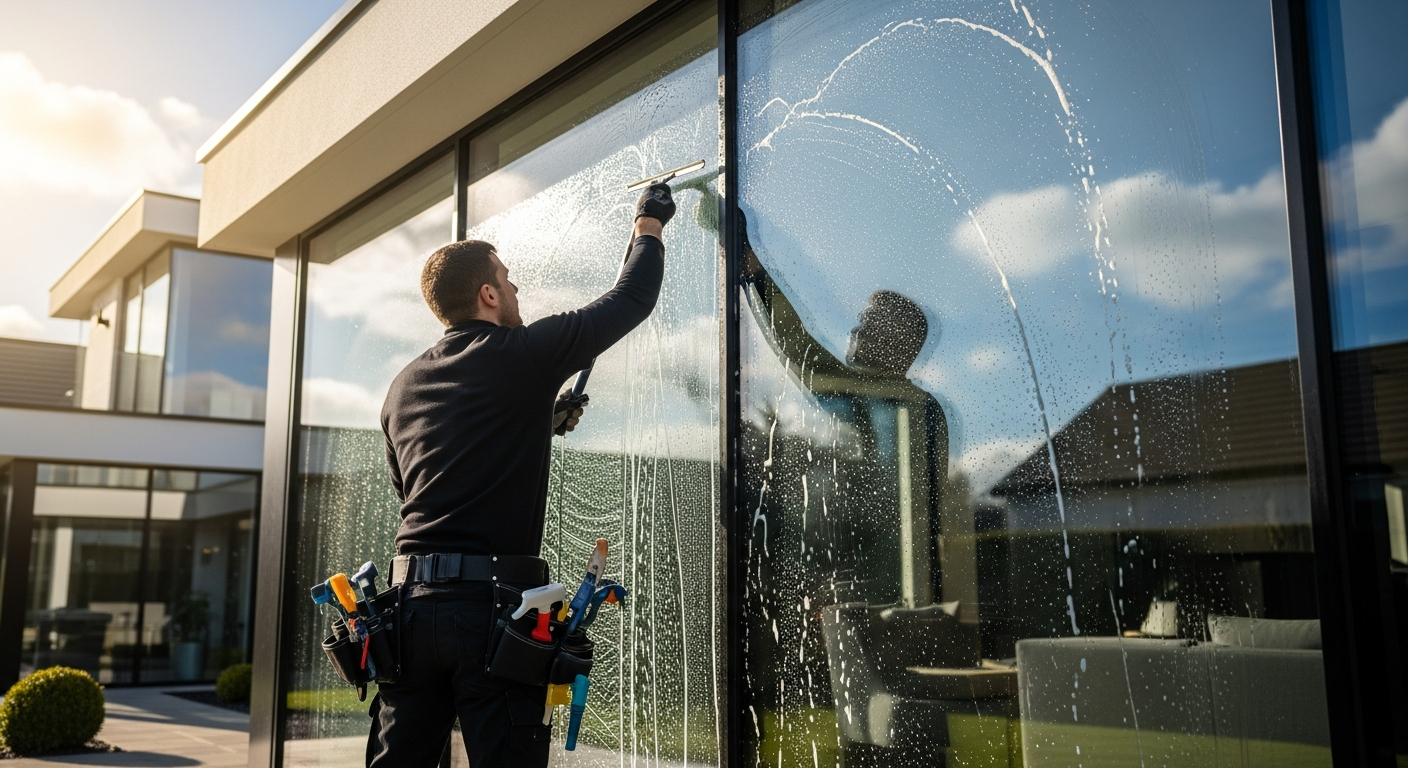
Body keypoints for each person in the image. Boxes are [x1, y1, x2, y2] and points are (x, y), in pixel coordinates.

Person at [366, 182, 677, 767]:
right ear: (488, 294)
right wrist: (649, 223)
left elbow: (419, 487)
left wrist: (540, 419)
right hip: (488, 612)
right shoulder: (524, 354)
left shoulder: (402, 386)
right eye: (508, 280)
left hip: (407, 610)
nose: (515, 288)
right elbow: (632, 298)